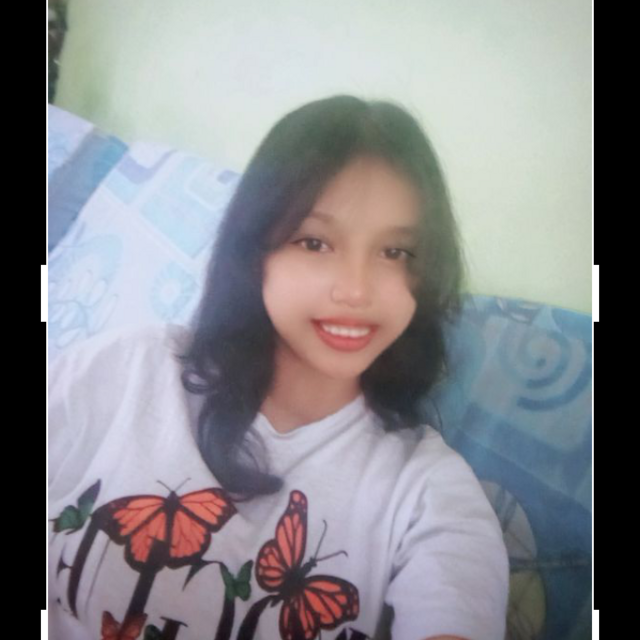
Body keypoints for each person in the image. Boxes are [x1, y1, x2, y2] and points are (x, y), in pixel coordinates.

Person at [48, 95, 509, 640]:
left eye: (395, 253)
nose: (356, 290)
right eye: (314, 242)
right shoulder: (131, 368)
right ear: (254, 252)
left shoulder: (428, 492)